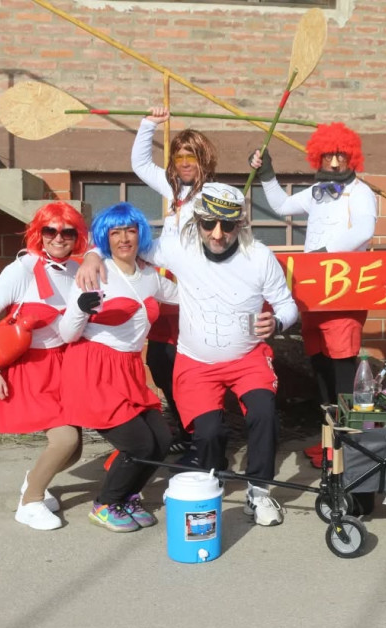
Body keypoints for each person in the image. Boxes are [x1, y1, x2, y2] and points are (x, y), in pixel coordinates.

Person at [77, 184, 299, 527]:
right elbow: (126, 242)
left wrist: (279, 321)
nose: (217, 234)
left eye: (228, 225)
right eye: (209, 224)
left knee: (263, 413)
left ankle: (259, 491)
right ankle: (211, 480)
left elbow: (287, 305)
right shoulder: (179, 246)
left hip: (248, 358)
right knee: (208, 433)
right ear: (197, 221)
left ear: (241, 224)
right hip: (197, 363)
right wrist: (92, 254)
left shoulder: (259, 256)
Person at [249, 123, 377, 468]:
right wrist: (267, 174)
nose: (334, 163)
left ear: (352, 157)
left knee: (342, 368)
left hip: (344, 294)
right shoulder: (318, 192)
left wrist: (325, 253)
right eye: (328, 156)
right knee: (319, 364)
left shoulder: (361, 192)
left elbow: (364, 230)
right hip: (314, 294)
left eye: (341, 156)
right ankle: (330, 440)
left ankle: (349, 448)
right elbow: (281, 206)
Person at [0, 202, 88, 531]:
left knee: (74, 451)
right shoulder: (21, 270)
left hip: (65, 365)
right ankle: (30, 501)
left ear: (77, 236)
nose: (58, 238)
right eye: (50, 230)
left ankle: (34, 480)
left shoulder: (77, 271)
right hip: (31, 368)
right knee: (64, 441)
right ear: (39, 233)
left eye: (67, 232)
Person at [59, 203, 176, 532]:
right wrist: (81, 308)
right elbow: (67, 333)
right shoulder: (95, 273)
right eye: (115, 232)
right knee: (138, 444)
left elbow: (186, 296)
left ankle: (126, 497)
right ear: (105, 238)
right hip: (94, 369)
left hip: (129, 369)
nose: (124, 238)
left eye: (130, 231)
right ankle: (105, 504)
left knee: (162, 440)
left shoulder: (149, 275)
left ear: (140, 234)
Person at [131, 107, 218, 452]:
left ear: (203, 160)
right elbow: (140, 164)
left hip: (195, 295)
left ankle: (200, 434)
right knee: (159, 361)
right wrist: (148, 125)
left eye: (191, 157)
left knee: (187, 365)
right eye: (179, 156)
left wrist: (149, 252)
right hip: (165, 291)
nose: (184, 163)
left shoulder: (214, 195)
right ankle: (185, 427)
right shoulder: (172, 188)